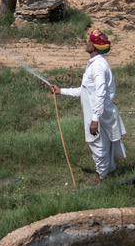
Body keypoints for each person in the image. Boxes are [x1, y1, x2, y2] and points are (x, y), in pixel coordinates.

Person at [50, 30, 126, 185]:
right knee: (103, 144)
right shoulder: (95, 63)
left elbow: (100, 93)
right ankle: (107, 171)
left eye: (90, 41)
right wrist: (61, 91)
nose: (87, 43)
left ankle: (101, 177)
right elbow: (85, 90)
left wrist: (94, 119)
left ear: (95, 46)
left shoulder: (98, 67)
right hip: (100, 112)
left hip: (98, 113)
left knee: (97, 145)